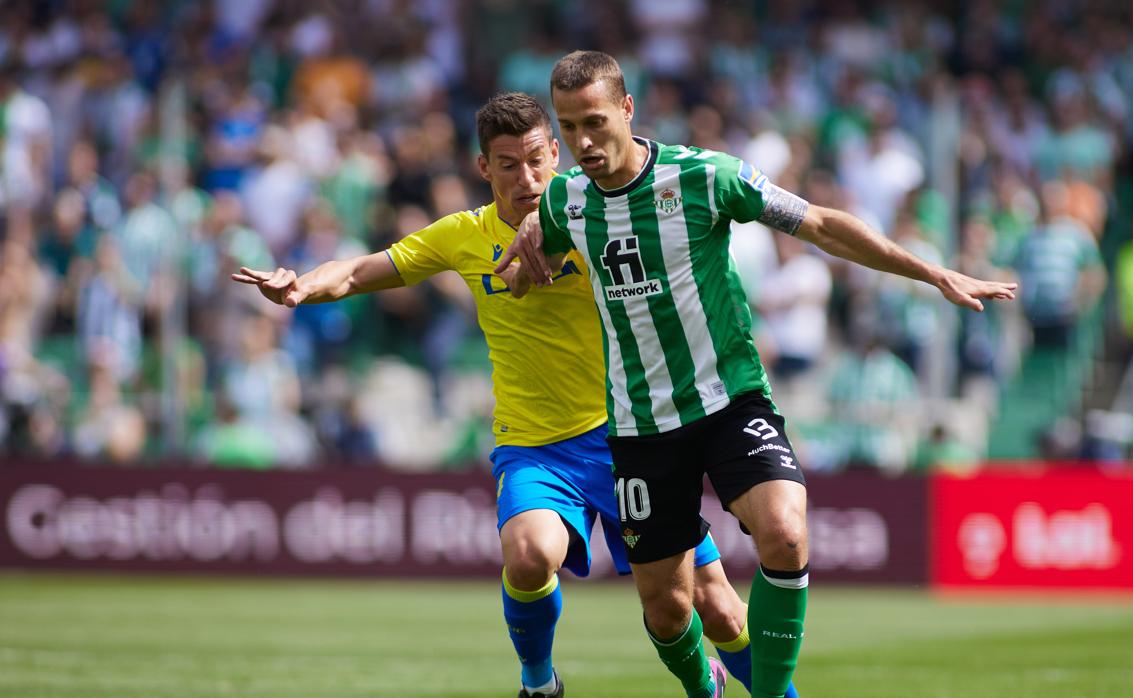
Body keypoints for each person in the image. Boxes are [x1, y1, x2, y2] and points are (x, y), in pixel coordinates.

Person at [233, 92, 788, 698]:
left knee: (720, 613)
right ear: (483, 169)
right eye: (507, 165)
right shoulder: (464, 236)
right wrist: (299, 286)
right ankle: (539, 683)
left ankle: (730, 687)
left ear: (556, 152)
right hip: (535, 447)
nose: (525, 179)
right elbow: (362, 270)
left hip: (631, 436)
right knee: (527, 555)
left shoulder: (595, 214)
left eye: (535, 160)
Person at [498, 51, 1016, 698]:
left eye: (595, 122)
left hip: (729, 401)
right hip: (641, 427)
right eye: (569, 127)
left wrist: (933, 272)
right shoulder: (565, 201)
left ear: (627, 110)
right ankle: (706, 689)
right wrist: (519, 264)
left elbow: (823, 225)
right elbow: (527, 258)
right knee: (667, 608)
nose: (582, 142)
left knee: (785, 530)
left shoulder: (706, 177)